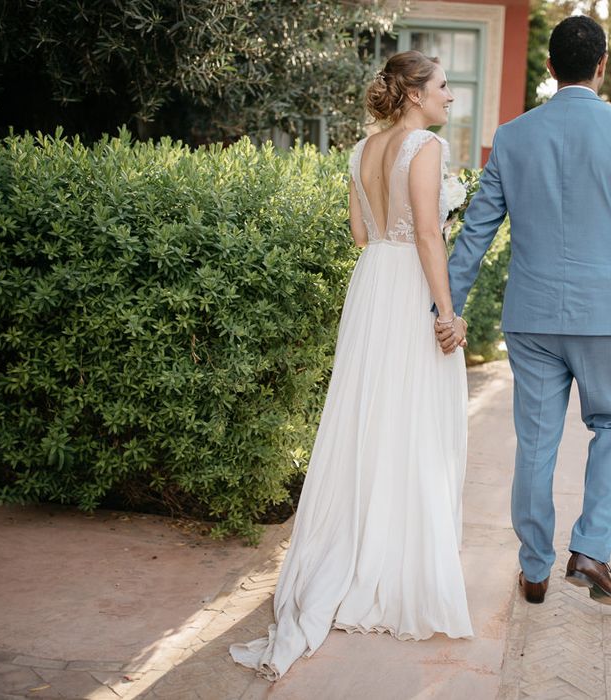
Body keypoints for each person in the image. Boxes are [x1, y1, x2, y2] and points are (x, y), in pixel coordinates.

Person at [229, 50, 473, 681]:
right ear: (416, 93)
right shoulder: (424, 147)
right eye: (444, 86)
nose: (450, 95)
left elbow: (363, 238)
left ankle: (352, 551)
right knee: (412, 418)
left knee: (367, 414)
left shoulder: (359, 151)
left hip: (371, 289)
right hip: (408, 289)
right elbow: (426, 234)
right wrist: (446, 313)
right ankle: (391, 566)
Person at [436, 15, 611, 608]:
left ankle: (535, 569)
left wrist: (442, 308)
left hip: (533, 314)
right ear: (601, 66)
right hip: (608, 320)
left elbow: (475, 234)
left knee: (537, 442)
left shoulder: (513, 136)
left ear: (548, 69)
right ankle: (592, 551)